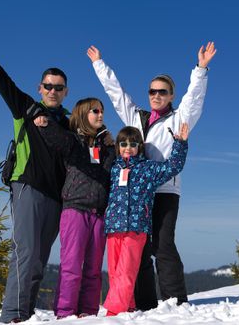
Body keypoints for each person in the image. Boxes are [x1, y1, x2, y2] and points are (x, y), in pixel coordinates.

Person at [0, 12, 70, 324]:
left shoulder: (69, 122)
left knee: (39, 260)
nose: (52, 91)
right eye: (48, 85)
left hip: (56, 198)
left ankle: (26, 312)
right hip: (28, 189)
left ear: (65, 92)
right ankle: (12, 317)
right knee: (25, 254)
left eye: (58, 87)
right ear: (40, 87)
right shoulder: (25, 106)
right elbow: (0, 78)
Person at [87, 42, 216, 309]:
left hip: (165, 190)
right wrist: (100, 64)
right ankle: (146, 304)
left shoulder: (179, 118)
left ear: (170, 95)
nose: (156, 95)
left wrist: (200, 69)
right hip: (137, 193)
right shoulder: (136, 117)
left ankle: (176, 301)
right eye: (152, 91)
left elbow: (194, 99)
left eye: (162, 92)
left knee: (163, 244)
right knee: (141, 249)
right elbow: (116, 94)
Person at [34, 98, 115, 318]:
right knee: (71, 267)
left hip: (98, 214)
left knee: (93, 270)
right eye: (95, 111)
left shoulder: (107, 147)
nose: (100, 114)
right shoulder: (74, 142)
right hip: (75, 210)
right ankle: (65, 313)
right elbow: (57, 140)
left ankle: (88, 314)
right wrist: (44, 123)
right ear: (82, 114)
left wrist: (112, 143)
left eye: (102, 111)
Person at [103, 124, 189, 316]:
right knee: (115, 271)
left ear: (140, 146)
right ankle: (129, 305)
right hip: (113, 226)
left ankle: (114, 312)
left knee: (126, 270)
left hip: (136, 227)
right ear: (117, 146)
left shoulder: (148, 169)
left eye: (133, 143)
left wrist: (180, 144)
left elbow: (173, 166)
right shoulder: (113, 167)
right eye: (123, 143)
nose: (128, 147)